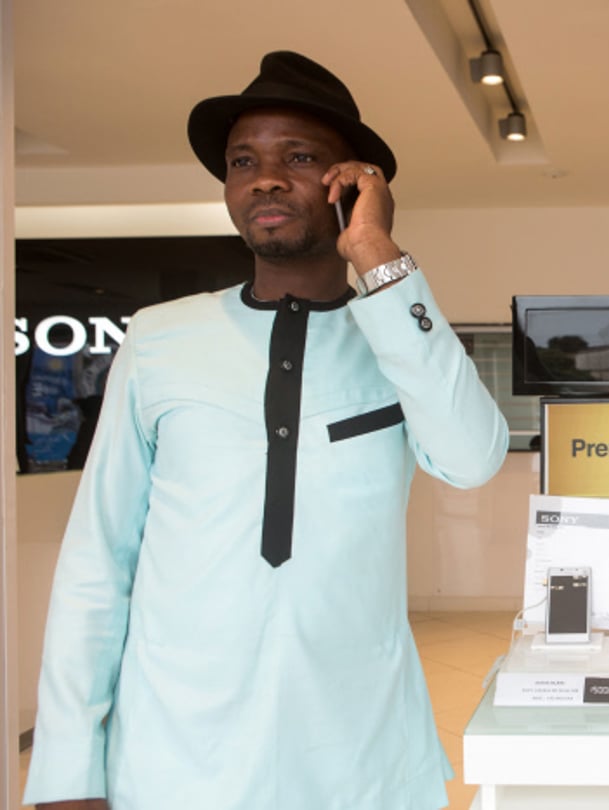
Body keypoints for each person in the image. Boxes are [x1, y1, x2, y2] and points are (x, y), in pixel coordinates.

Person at [24, 51, 509, 810]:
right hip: (176, 753)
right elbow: (98, 558)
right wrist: (68, 766)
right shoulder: (159, 339)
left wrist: (378, 258)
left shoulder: (395, 341)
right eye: (242, 160)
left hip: (358, 749)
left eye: (300, 157)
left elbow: (473, 459)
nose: (266, 177)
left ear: (350, 182)